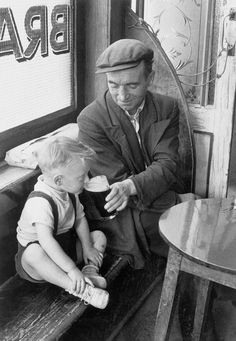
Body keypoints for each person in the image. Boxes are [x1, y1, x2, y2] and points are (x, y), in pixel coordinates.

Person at [77, 39, 185, 269]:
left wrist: (131, 186)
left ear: (150, 78)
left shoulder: (167, 107)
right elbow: (114, 186)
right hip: (118, 213)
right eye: (113, 84)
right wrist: (176, 200)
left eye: (132, 85)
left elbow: (168, 165)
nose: (122, 95)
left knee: (187, 228)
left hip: (146, 198)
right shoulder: (91, 119)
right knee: (183, 224)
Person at [15, 136, 109, 309]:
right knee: (33, 253)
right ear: (59, 180)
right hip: (41, 260)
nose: (87, 181)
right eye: (82, 177)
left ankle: (89, 272)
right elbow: (47, 242)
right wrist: (71, 269)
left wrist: (87, 247)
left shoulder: (69, 191)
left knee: (98, 236)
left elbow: (80, 219)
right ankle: (79, 288)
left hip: (65, 246)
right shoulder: (40, 202)